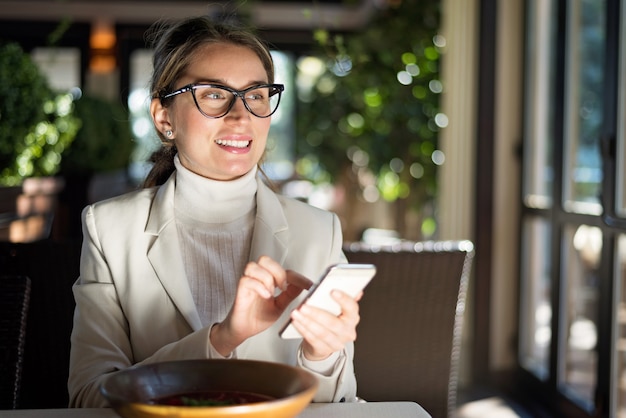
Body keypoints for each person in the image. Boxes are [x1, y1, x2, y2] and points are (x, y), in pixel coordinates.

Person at [68, 15, 362, 407]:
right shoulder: (109, 228)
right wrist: (221, 338)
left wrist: (321, 355)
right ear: (163, 117)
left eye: (256, 95)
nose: (241, 115)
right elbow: (89, 396)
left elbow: (339, 403)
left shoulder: (319, 230)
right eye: (213, 94)